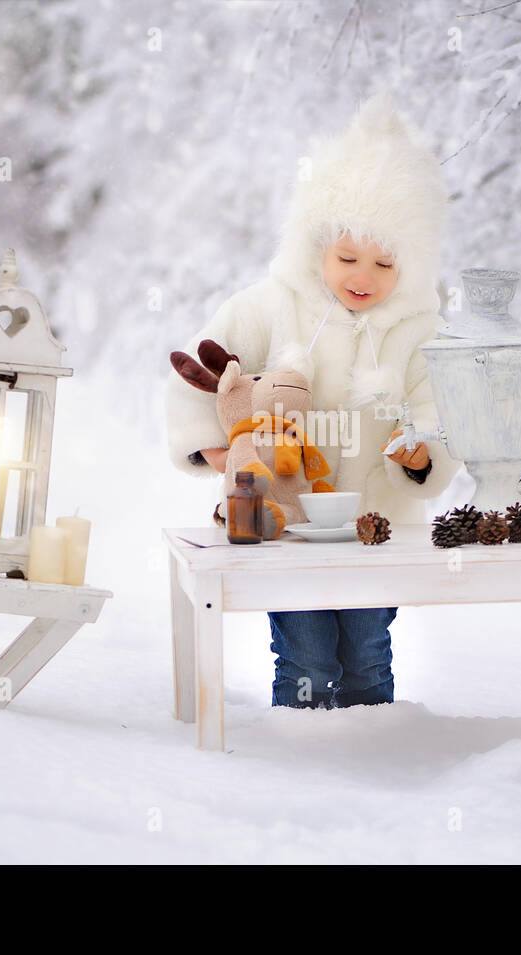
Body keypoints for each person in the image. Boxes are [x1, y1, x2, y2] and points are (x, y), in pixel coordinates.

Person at [164, 91, 459, 709]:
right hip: (284, 525)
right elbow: (205, 372)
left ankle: (373, 751)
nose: (362, 276)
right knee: (305, 654)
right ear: (315, 245)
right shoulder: (269, 306)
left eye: (385, 263)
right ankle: (302, 764)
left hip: (375, 529)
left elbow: (437, 409)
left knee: (368, 651)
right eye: (347, 257)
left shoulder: (418, 330)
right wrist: (217, 452)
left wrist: (422, 456)